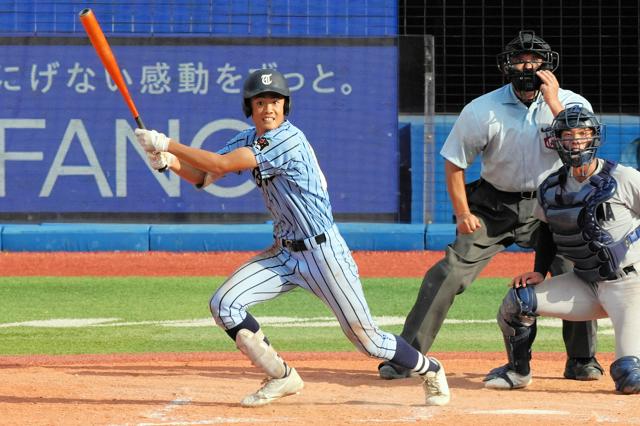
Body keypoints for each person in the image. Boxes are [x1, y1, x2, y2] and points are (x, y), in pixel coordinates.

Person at [134, 69, 450, 407]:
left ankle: (430, 369)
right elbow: (204, 177)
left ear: (285, 106)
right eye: (260, 102)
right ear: (249, 107)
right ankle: (281, 376)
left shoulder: (287, 139)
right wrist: (169, 163)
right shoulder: (246, 138)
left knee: (367, 340)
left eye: (275, 101)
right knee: (224, 304)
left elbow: (222, 165)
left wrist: (167, 143)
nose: (268, 108)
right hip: (284, 254)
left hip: (324, 254)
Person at [378, 30, 603, 381]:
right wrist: (464, 212)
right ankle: (408, 355)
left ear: (547, 63)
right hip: (493, 205)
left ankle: (582, 360)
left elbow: (580, 149)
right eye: (520, 58)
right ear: (508, 65)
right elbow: (454, 163)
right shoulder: (483, 109)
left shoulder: (572, 104)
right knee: (447, 272)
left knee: (574, 268)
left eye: (535, 58)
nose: (528, 65)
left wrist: (554, 101)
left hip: (551, 204)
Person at [483, 104, 640, 394]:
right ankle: (518, 372)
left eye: (583, 133)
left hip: (629, 286)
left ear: (595, 136)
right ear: (556, 141)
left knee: (629, 376)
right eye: (568, 135)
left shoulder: (624, 178)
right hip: (586, 282)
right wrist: (539, 271)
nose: (577, 140)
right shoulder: (550, 187)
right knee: (518, 302)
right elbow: (545, 231)